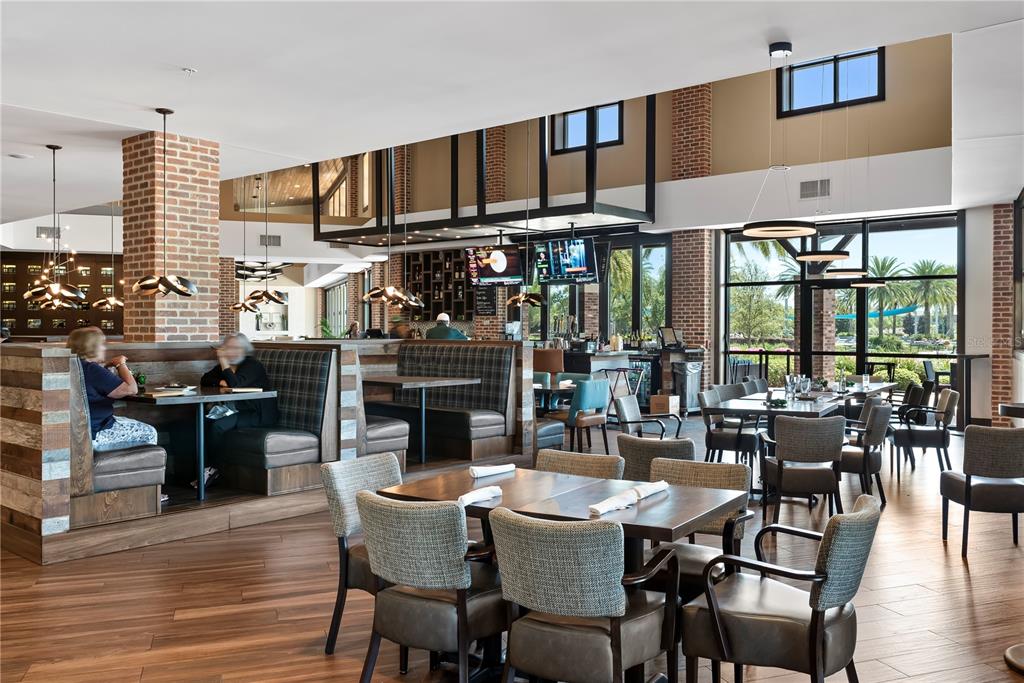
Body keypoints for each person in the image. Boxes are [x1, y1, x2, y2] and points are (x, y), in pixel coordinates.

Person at [199, 333, 279, 486]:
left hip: (257, 413)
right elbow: (205, 379)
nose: (231, 352)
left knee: (218, 426)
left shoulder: (252, 366)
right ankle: (200, 468)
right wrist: (221, 380)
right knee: (199, 423)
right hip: (235, 411)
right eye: (228, 348)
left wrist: (223, 361)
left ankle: (214, 468)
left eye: (236, 348)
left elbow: (235, 384)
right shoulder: (226, 367)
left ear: (244, 350)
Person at [66, 327, 157, 452]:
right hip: (96, 433)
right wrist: (120, 364)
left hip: (75, 432)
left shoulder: (72, 366)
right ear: (92, 347)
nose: (104, 348)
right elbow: (131, 389)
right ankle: (128, 470)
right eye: (102, 344)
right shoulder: (92, 370)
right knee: (149, 432)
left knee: (125, 421)